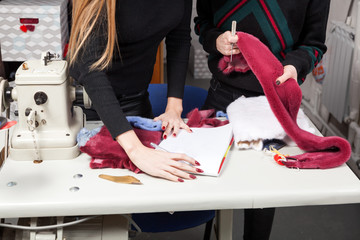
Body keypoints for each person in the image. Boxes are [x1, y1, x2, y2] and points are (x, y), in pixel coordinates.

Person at [194, 0, 330, 239]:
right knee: (209, 182)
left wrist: (294, 66)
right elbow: (203, 23)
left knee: (263, 198)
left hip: (274, 100)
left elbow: (315, 45)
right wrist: (215, 40)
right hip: (221, 97)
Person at [68, 0, 202, 182]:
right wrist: (136, 150)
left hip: (137, 99)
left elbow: (179, 37)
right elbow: (90, 67)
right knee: (88, 191)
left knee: (149, 189)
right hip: (88, 107)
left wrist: (174, 107)